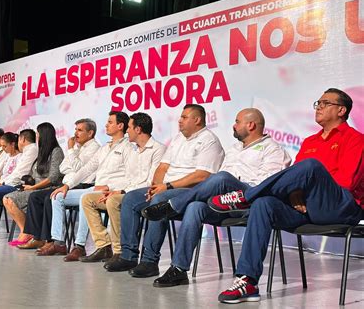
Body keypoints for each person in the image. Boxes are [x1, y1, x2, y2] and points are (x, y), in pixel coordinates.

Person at [208, 88, 363, 304]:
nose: (318, 106)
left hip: (340, 207)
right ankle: (248, 281)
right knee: (264, 204)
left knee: (311, 166)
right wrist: (295, 194)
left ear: (341, 110)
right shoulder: (310, 141)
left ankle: (246, 196)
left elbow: (345, 182)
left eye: (325, 103)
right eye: (317, 102)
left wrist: (309, 184)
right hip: (306, 209)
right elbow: (293, 180)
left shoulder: (356, 139)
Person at [140, 108, 291, 287]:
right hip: (223, 203)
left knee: (222, 178)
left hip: (250, 202)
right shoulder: (234, 149)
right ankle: (179, 269)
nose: (233, 126)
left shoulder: (273, 149)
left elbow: (266, 186)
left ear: (251, 125)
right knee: (195, 206)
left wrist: (234, 184)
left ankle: (173, 205)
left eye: (237, 121)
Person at [106, 104, 225, 277]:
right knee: (131, 198)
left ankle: (149, 261)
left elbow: (202, 176)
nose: (179, 120)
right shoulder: (178, 139)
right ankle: (128, 256)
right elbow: (163, 167)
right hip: (166, 188)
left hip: (190, 191)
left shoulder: (209, 140)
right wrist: (155, 186)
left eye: (184, 117)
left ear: (197, 120)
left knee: (159, 201)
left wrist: (166, 188)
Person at [33, 111, 132, 261]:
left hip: (110, 190)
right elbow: (86, 168)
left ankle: (79, 246)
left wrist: (111, 187)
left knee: (85, 198)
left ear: (120, 126)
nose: (106, 125)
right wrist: (67, 185)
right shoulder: (105, 148)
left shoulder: (129, 147)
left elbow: (131, 174)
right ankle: (58, 242)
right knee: (58, 196)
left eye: (110, 122)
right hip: (96, 188)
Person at [81, 112, 166, 263]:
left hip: (145, 194)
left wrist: (121, 191)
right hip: (127, 191)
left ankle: (119, 250)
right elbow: (127, 177)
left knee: (113, 201)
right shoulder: (133, 150)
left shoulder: (158, 149)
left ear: (138, 130)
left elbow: (151, 181)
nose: (127, 131)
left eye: (130, 128)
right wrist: (114, 189)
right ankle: (104, 246)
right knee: (88, 199)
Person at [22, 118, 100, 252]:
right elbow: (63, 168)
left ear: (90, 133)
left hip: (82, 185)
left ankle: (51, 240)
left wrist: (70, 150)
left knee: (50, 197)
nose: (76, 133)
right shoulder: (78, 148)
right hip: (68, 183)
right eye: (75, 129)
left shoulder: (94, 148)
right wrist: (72, 158)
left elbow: (78, 167)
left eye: (80, 130)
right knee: (35, 197)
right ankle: (38, 237)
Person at [3, 122, 64, 242]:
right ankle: (25, 230)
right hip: (35, 187)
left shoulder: (56, 151)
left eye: (38, 134)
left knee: (12, 199)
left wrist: (33, 187)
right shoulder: (42, 152)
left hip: (47, 188)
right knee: (6, 199)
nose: (37, 137)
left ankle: (28, 233)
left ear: (44, 135)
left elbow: (53, 177)